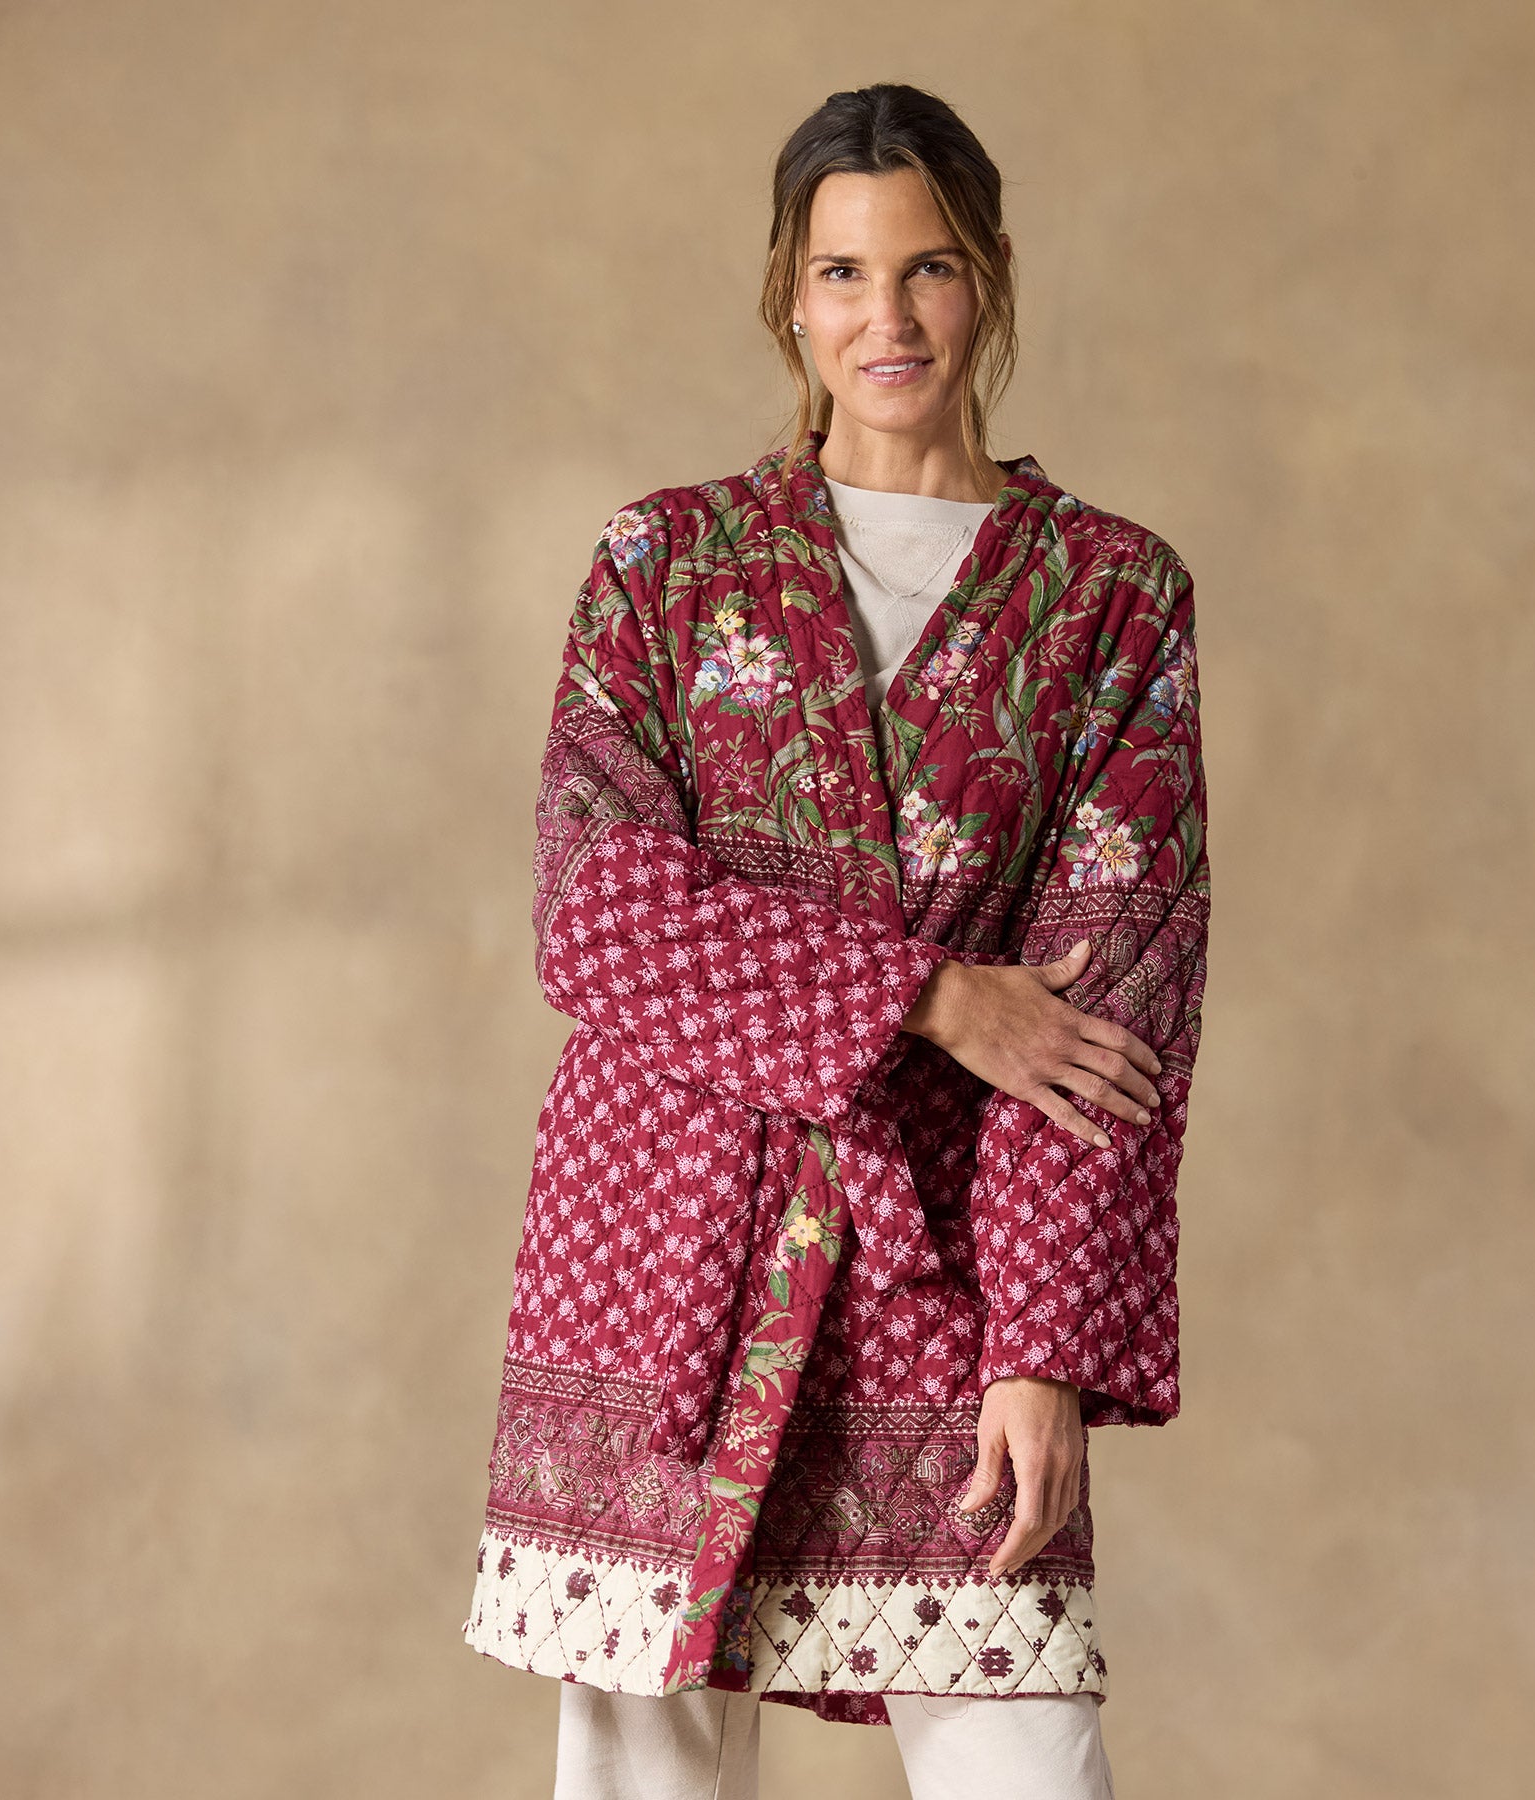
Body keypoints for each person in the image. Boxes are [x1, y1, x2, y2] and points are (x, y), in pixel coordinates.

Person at [461, 82, 1211, 1800]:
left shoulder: (1112, 595)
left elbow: (1114, 1001)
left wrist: (1044, 1350)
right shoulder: (665, 563)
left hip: (950, 1256)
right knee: (644, 1771)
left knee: (1027, 1757)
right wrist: (932, 994)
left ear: (990, 278)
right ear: (788, 297)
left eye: (929, 268)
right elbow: (594, 913)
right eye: (844, 273)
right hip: (662, 1244)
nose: (890, 318)